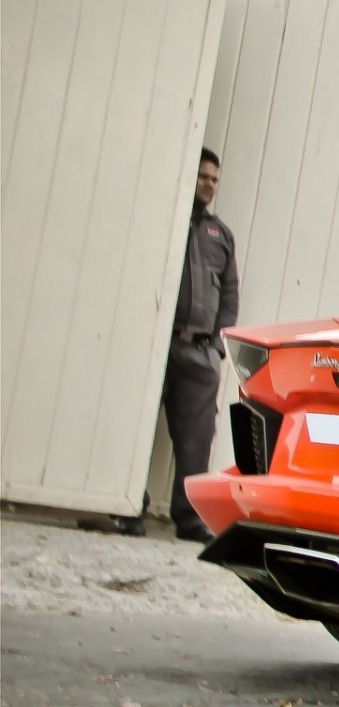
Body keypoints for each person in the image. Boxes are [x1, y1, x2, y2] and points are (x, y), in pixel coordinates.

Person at [120, 148, 240, 542]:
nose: (208, 184)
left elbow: (230, 295)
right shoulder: (164, 220)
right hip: (157, 346)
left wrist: (218, 347)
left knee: (197, 440)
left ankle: (189, 520)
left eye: (214, 179)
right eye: (203, 176)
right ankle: (127, 507)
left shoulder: (220, 235)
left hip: (199, 352)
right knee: (130, 428)